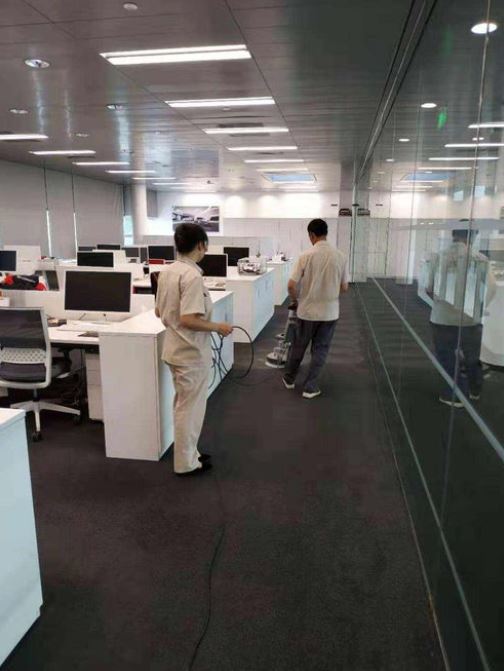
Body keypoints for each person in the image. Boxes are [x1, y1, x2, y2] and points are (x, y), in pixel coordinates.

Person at [155, 223, 233, 475]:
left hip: (174, 349)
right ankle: (186, 463)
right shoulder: (192, 276)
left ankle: (190, 453)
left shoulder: (167, 272)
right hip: (190, 353)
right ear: (201, 245)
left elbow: (158, 311)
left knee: (183, 405)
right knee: (190, 409)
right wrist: (218, 327)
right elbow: (189, 319)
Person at [426, 229, 496, 408]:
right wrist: (479, 308)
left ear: (453, 235)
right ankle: (475, 389)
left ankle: (455, 396)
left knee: (447, 357)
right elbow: (491, 289)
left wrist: (440, 303)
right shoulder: (481, 260)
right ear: (472, 237)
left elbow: (429, 287)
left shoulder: (438, 257)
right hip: (471, 320)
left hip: (443, 318)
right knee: (473, 357)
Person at [282, 218, 349, 398]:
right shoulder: (341, 256)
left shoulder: (305, 255)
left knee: (298, 346)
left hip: (307, 311)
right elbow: (345, 287)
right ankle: (310, 387)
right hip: (329, 313)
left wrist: (295, 301)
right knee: (321, 349)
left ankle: (289, 379)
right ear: (326, 233)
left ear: (312, 235)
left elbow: (291, 285)